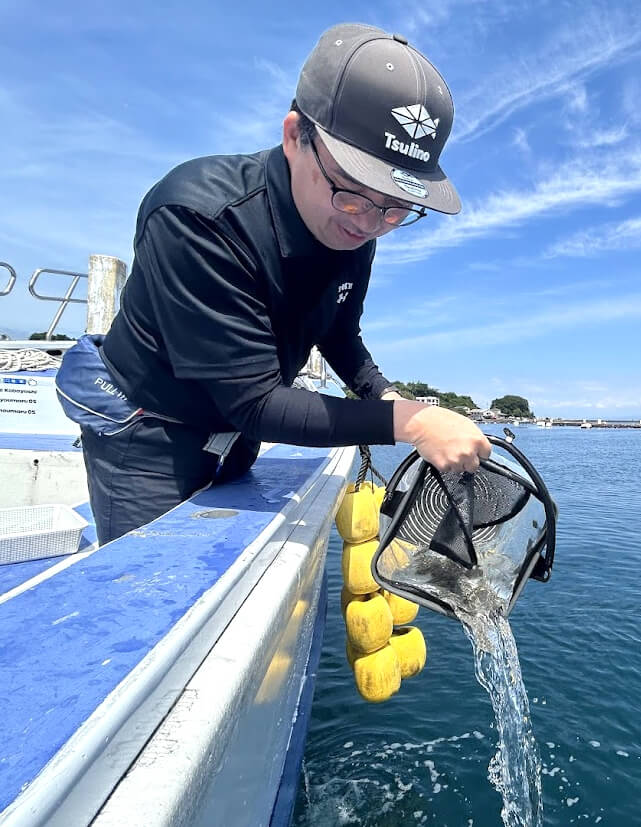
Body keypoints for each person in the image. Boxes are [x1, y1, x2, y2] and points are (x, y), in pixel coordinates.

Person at [57, 22, 491, 545]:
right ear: (294, 137)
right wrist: (412, 421)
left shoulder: (356, 226)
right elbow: (257, 402)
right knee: (149, 594)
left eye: (397, 208)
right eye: (354, 194)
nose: (370, 224)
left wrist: (383, 392)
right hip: (151, 432)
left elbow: (338, 329)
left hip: (236, 435)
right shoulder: (198, 216)